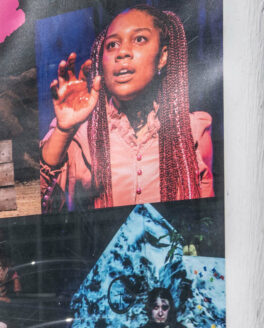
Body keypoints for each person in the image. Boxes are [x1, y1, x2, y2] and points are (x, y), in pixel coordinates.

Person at [40, 5, 213, 212]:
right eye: (112, 45)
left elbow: (204, 219)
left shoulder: (192, 130)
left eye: (139, 39)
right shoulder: (78, 135)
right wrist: (64, 130)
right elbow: (36, 207)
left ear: (163, 56)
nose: (122, 52)